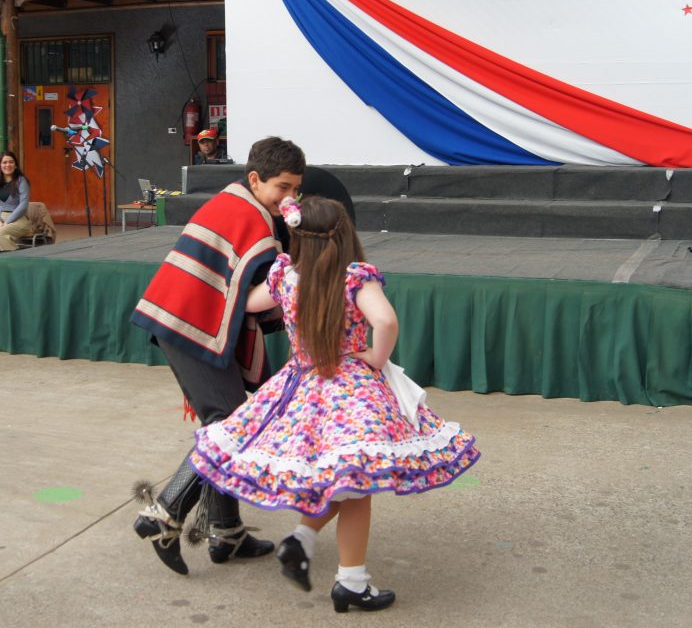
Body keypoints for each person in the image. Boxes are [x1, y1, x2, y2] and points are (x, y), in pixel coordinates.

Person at [187, 196, 481, 612]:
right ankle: (349, 580)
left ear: (296, 236)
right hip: (352, 393)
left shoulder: (285, 277)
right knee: (356, 487)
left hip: (302, 387)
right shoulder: (355, 278)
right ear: (345, 234)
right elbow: (386, 321)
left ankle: (306, 543)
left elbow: (248, 303)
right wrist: (375, 357)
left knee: (343, 480)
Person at [129, 136, 305, 576]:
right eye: (283, 187)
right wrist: (298, 280)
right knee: (229, 428)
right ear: (255, 179)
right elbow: (254, 297)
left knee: (225, 424)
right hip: (190, 324)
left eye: (296, 189)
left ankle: (226, 532)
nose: (289, 198)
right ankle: (165, 513)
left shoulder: (239, 203)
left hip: (186, 319)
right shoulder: (253, 221)